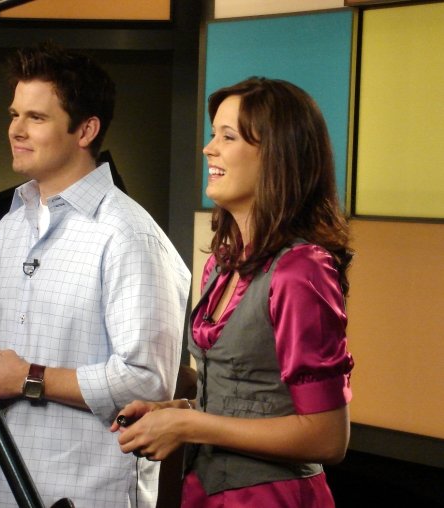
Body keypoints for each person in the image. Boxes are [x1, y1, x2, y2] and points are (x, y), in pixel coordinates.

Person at [0, 42, 191, 508]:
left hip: (88, 492)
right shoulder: (10, 227)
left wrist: (27, 378)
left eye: (36, 118)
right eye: (14, 115)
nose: (16, 130)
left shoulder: (128, 234)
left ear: (86, 129)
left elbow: (148, 382)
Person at [112, 77, 354, 508]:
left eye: (228, 137)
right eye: (213, 135)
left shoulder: (301, 270)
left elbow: (327, 436)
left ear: (277, 155)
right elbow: (247, 400)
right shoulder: (221, 265)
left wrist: (190, 427)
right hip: (206, 491)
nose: (209, 149)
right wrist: (176, 411)